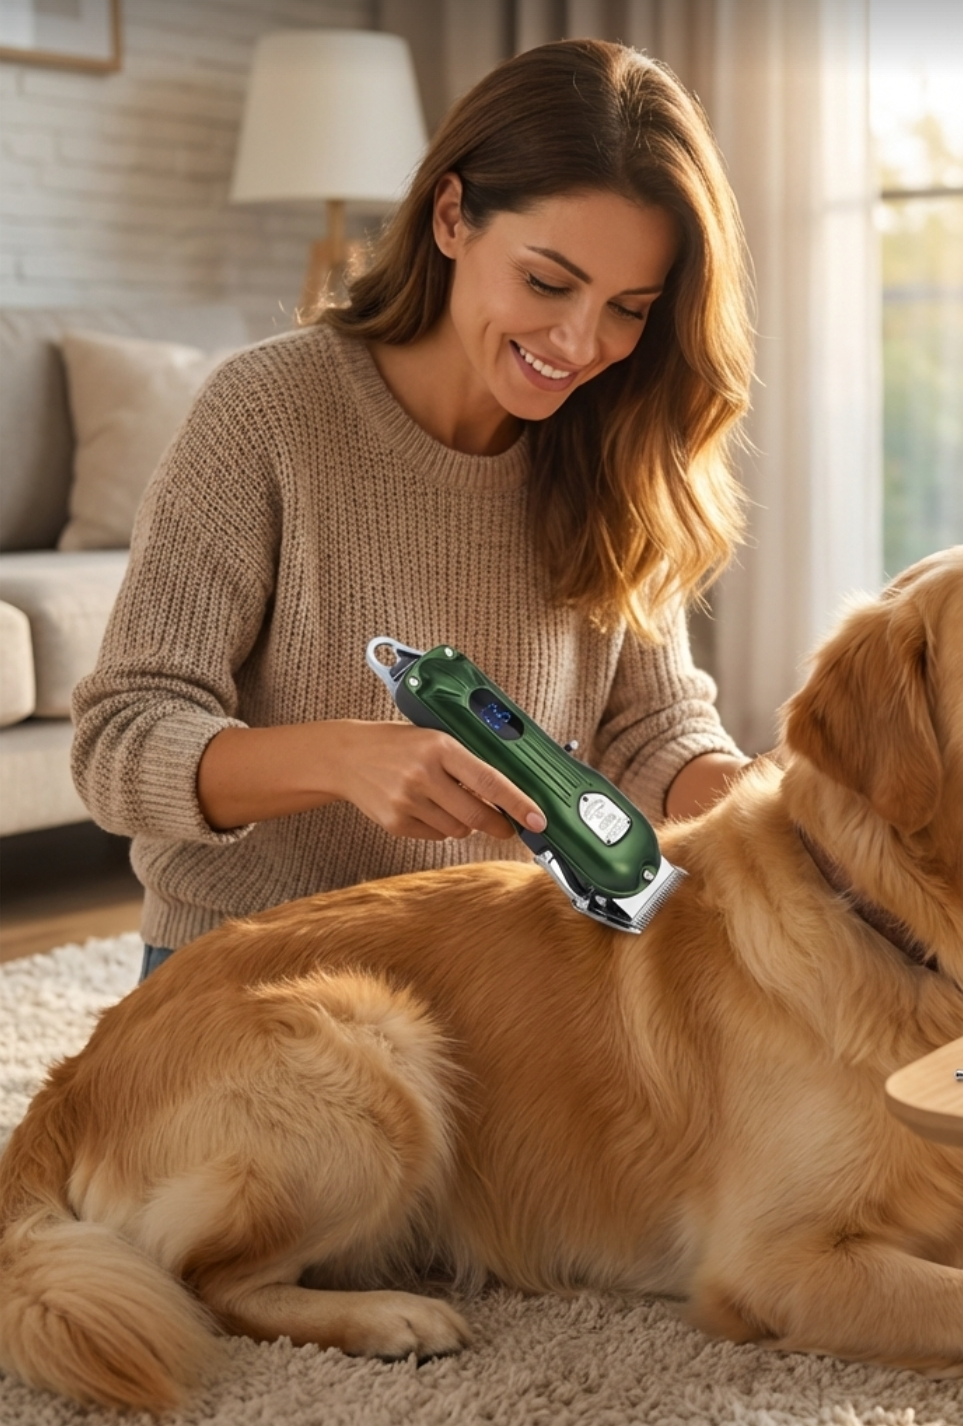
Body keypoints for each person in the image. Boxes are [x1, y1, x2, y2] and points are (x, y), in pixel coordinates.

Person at [70, 39, 754, 979]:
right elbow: (121, 740)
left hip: (504, 970)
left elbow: (651, 733)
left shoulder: (614, 445)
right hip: (259, 968)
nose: (579, 342)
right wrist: (346, 759)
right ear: (450, 217)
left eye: (629, 308)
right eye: (547, 283)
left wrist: (765, 803)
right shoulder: (266, 413)